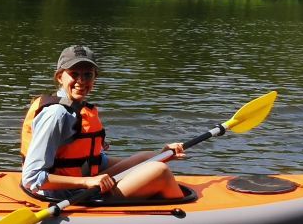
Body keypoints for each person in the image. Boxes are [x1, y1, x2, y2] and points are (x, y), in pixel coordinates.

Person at [20, 44, 185, 201]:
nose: (81, 80)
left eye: (87, 74)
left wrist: (163, 154)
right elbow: (32, 177)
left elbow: (91, 161)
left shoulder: (76, 108)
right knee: (160, 171)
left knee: (151, 158)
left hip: (83, 183)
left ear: (95, 78)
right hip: (66, 195)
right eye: (74, 74)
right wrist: (87, 182)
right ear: (59, 77)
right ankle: (183, 217)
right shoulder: (56, 114)